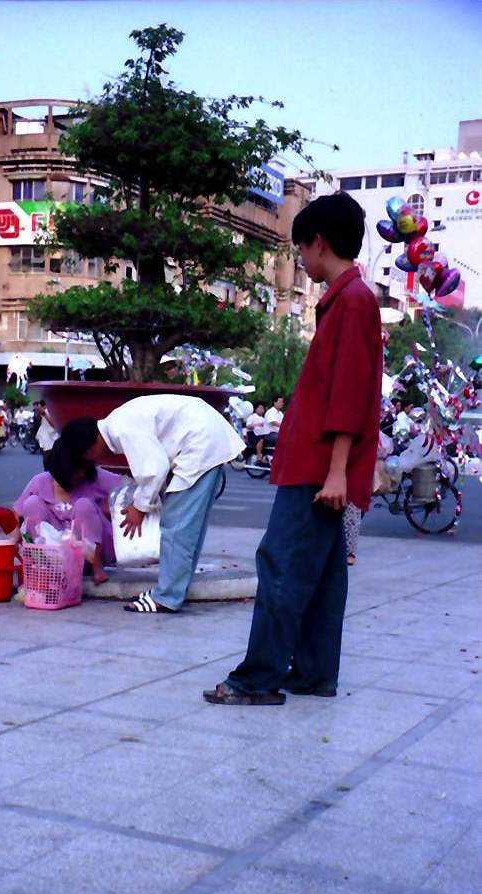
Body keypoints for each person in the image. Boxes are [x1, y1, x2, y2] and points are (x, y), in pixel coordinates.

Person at [204, 191, 382, 705]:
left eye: (301, 249)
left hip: (317, 467)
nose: (300, 261)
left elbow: (348, 394)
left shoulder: (351, 301)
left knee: (280, 563)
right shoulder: (352, 300)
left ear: (320, 243)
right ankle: (312, 674)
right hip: (324, 465)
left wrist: (336, 473)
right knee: (324, 577)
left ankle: (257, 679)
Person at [59, 394, 243, 612]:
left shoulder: (122, 429)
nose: (96, 461)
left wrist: (139, 507)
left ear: (88, 449)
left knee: (176, 527)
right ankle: (172, 589)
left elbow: (154, 469)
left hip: (200, 442)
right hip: (206, 436)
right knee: (187, 528)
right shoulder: (118, 422)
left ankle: (167, 596)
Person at [14, 438, 122, 585]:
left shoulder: (96, 478)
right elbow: (18, 514)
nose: (81, 474)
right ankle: (43, 566)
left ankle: (97, 567)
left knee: (84, 505)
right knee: (31, 503)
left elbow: (126, 486)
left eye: (83, 468)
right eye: (76, 470)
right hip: (54, 556)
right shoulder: (40, 482)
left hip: (89, 555)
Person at [256, 395, 284, 462]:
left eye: (282, 402)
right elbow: (272, 422)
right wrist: (282, 426)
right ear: (275, 403)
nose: (282, 403)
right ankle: (271, 457)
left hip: (277, 433)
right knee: (283, 439)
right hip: (269, 434)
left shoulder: (280, 413)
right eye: (280, 402)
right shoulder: (271, 411)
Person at [35, 401, 59, 467]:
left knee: (53, 463)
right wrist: (39, 412)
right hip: (46, 440)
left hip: (54, 440)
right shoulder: (45, 410)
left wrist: (45, 414)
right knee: (46, 462)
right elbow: (38, 419)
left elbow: (55, 425)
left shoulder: (56, 410)